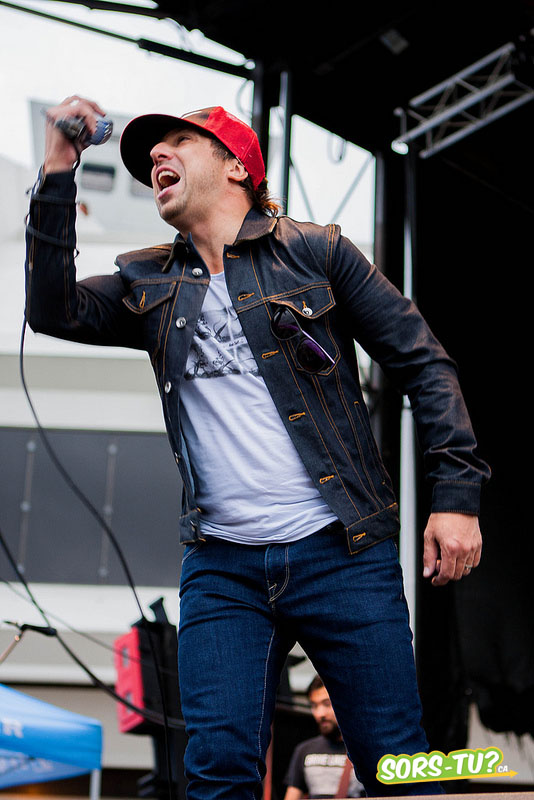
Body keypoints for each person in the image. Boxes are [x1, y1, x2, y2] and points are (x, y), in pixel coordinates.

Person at [25, 96, 490, 799]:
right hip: (223, 566)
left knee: (396, 764)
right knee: (216, 772)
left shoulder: (318, 252)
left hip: (342, 550)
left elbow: (425, 364)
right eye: (151, 153)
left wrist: (456, 498)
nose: (157, 156)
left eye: (179, 141)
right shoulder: (148, 281)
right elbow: (51, 308)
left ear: (237, 166)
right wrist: (60, 167)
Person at [283, 675, 365, 799]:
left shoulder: (365, 750)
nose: (320, 714)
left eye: (327, 704)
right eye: (314, 706)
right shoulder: (304, 750)